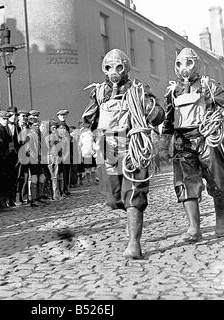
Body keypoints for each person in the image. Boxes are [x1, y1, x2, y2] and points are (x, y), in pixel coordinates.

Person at [81, 49, 165, 259]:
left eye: (118, 67)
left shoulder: (138, 89)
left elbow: (158, 116)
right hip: (108, 148)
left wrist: (146, 107)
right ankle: (129, 215)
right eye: (109, 67)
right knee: (114, 198)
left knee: (134, 195)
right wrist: (87, 137)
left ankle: (134, 243)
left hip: (133, 146)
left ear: (125, 68)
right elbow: (89, 120)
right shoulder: (100, 93)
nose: (114, 72)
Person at [159, 48, 224, 242]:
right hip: (183, 143)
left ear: (196, 63)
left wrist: (220, 125)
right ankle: (193, 228)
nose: (184, 68)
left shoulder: (209, 86)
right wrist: (163, 145)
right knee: (185, 184)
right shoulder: (172, 92)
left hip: (207, 140)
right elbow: (169, 122)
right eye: (180, 64)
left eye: (189, 63)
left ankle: (221, 218)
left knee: (217, 180)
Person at [56, 110, 71, 196]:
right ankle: (62, 190)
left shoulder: (67, 127)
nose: (63, 117)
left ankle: (65, 188)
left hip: (67, 151)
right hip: (60, 152)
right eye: (61, 115)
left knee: (66, 171)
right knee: (61, 172)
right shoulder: (58, 126)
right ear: (58, 116)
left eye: (64, 115)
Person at [17, 110, 30, 205]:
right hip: (17, 156)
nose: (24, 118)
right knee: (18, 177)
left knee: (25, 177)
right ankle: (17, 198)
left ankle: (24, 196)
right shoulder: (15, 127)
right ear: (18, 117)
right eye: (23, 116)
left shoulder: (28, 127)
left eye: (26, 116)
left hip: (27, 155)